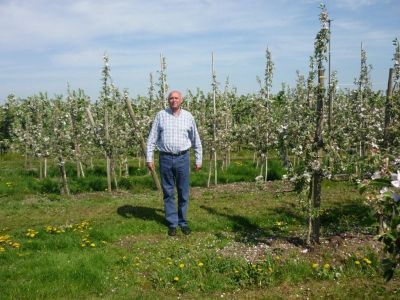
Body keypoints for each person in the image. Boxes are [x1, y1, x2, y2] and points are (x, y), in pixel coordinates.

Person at [146, 90, 202, 236]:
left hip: (183, 158)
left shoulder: (188, 116)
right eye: (171, 98)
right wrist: (149, 158)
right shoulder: (161, 115)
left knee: (183, 191)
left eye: (176, 98)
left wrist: (198, 158)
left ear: (181, 100)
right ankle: (172, 223)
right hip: (165, 158)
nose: (174, 100)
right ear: (168, 100)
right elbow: (152, 138)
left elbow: (196, 139)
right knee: (168, 192)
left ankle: (183, 222)